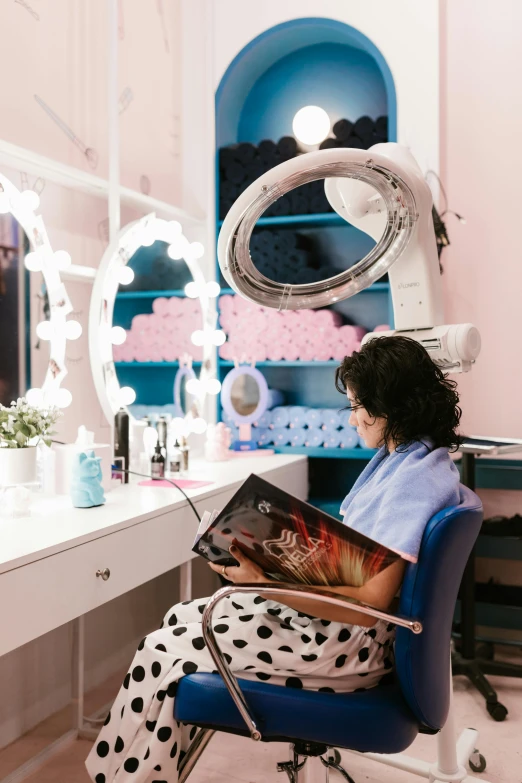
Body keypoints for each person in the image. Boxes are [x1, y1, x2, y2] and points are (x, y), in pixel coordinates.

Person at [86, 335, 463, 783]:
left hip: (339, 646)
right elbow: (366, 564)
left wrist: (258, 582)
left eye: (358, 406)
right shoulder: (418, 462)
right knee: (179, 616)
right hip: (341, 632)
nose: (353, 419)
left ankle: (120, 777)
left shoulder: (410, 482)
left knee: (161, 650)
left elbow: (369, 603)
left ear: (390, 407)